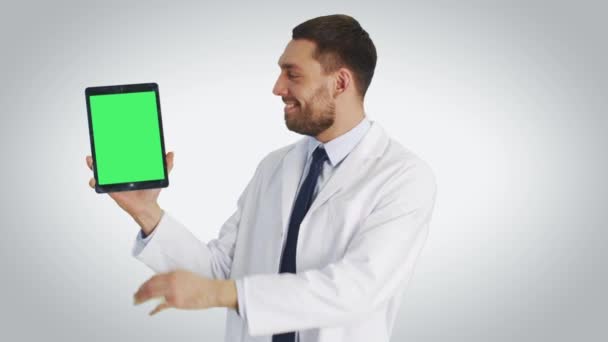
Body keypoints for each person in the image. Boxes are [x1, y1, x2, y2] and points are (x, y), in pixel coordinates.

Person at [86, 14, 436, 342]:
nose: (277, 87)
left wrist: (224, 293)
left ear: (340, 82)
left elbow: (357, 289)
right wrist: (145, 212)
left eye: (292, 74)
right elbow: (220, 271)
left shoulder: (403, 177)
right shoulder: (275, 167)